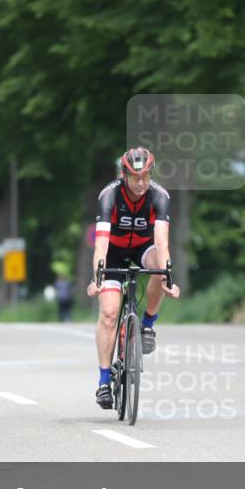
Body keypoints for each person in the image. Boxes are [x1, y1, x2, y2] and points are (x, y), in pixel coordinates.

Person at [86, 147, 181, 409]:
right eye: (135, 178)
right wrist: (98, 278)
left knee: (159, 269)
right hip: (114, 251)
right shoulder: (109, 195)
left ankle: (148, 323)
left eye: (146, 177)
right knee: (109, 313)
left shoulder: (159, 196)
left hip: (143, 249)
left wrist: (168, 277)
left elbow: (161, 242)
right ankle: (104, 381)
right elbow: (101, 244)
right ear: (124, 175)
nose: (140, 183)